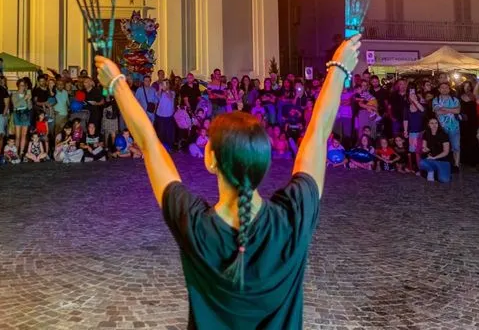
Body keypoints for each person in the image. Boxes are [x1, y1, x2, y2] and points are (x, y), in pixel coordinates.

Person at [94, 34, 360, 328]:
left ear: (210, 160)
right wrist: (339, 69)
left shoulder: (195, 226)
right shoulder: (293, 218)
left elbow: (149, 143)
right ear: (264, 164)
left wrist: (117, 82)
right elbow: (318, 134)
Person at [432, 82, 462, 170]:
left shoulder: (454, 99)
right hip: (441, 128)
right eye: (442, 87)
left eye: (446, 87)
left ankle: (456, 165)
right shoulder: (436, 100)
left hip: (454, 127)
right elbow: (437, 112)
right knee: (442, 147)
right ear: (439, 89)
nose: (444, 89)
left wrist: (443, 108)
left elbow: (458, 111)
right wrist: (452, 110)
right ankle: (443, 164)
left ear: (449, 89)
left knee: (456, 146)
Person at [419, 116, 451, 183]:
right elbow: (424, 148)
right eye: (432, 123)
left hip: (442, 160)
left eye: (436, 123)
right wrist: (425, 150)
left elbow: (446, 152)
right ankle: (431, 170)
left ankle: (437, 171)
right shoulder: (426, 133)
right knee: (421, 163)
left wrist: (434, 157)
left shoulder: (443, 134)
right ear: (428, 125)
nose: (434, 125)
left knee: (444, 180)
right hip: (431, 159)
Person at [11, 78, 32, 158]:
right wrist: (24, 98)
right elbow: (15, 105)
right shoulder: (14, 94)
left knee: (24, 135)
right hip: (17, 114)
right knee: (17, 135)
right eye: (21, 85)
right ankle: (16, 152)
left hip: (25, 114)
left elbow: (29, 107)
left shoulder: (27, 94)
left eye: (24, 85)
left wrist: (29, 100)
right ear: (18, 86)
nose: (23, 87)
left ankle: (21, 152)